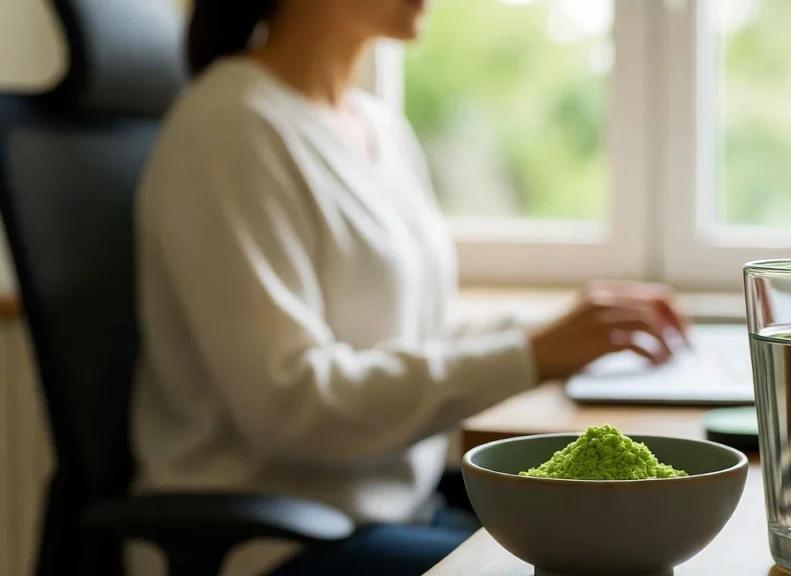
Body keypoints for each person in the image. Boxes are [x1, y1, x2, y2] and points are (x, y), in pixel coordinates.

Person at [131, 0, 687, 574]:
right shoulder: (231, 127)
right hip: (280, 545)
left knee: (626, 541)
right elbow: (291, 406)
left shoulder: (379, 127)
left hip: (400, 514)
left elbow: (418, 334)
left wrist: (562, 331)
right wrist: (528, 357)